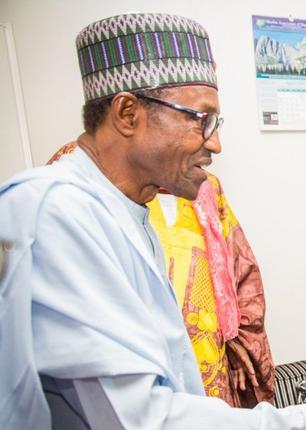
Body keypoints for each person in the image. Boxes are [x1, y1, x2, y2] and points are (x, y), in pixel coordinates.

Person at [0, 13, 306, 429]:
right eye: (201, 118)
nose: (215, 143)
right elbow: (145, 420)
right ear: (128, 113)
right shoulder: (56, 212)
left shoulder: (127, 212)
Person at [48, 143, 275, 408]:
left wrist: (237, 336)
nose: (214, 142)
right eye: (198, 119)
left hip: (209, 367)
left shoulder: (207, 187)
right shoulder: (86, 177)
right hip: (134, 374)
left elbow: (241, 271)